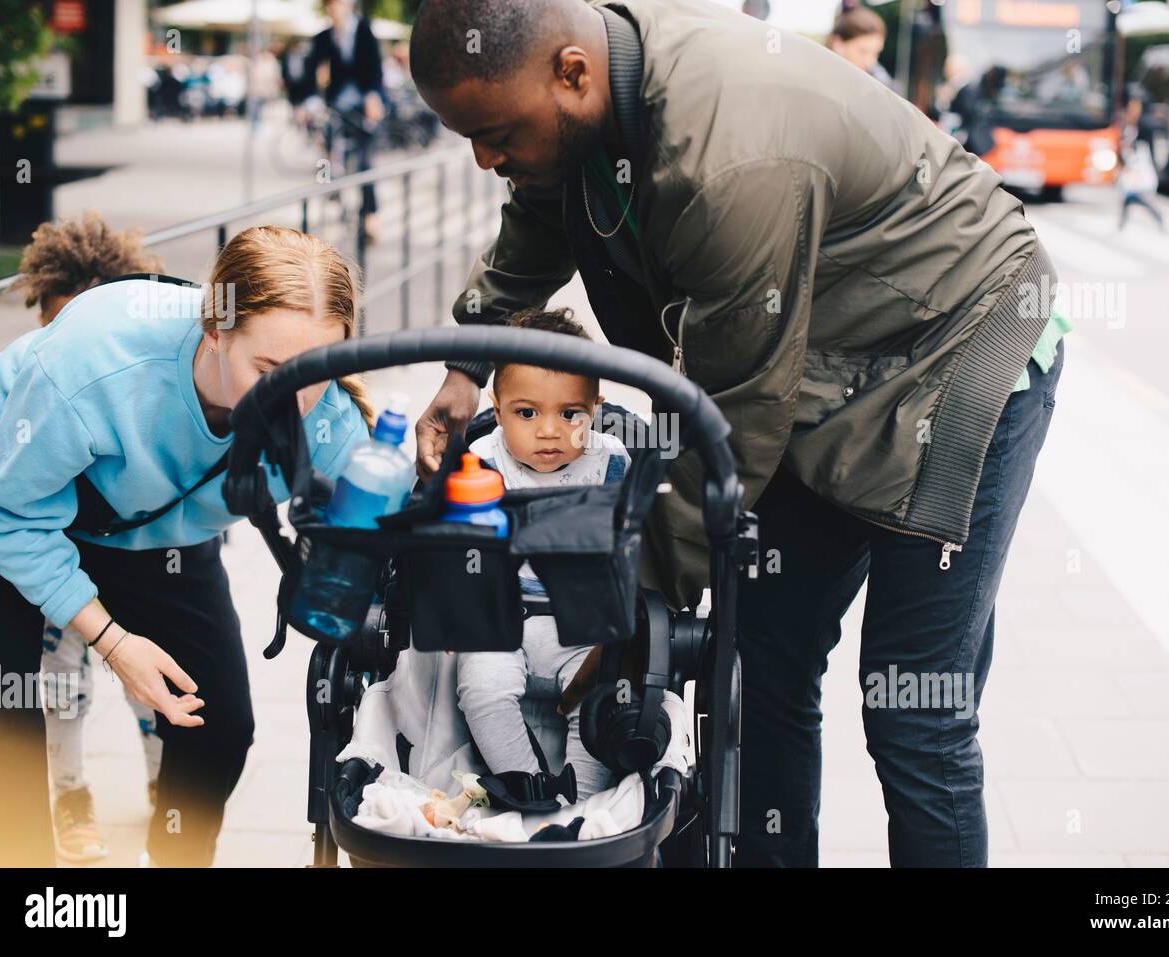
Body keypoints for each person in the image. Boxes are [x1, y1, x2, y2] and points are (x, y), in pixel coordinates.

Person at [407, 0, 1068, 868]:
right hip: (824, 356)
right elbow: (541, 203)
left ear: (572, 72)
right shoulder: (597, 86)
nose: (484, 157)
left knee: (914, 706)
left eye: (492, 131)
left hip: (961, 343)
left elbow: (739, 422)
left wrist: (622, 603)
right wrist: (467, 361)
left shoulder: (729, 158)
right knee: (761, 663)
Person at [0, 226, 373, 867]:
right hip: (11, 498)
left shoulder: (323, 414)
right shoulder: (96, 362)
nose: (293, 401)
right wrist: (114, 642)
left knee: (220, 728)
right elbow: (2, 514)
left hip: (150, 528)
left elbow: (387, 517)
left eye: (316, 372)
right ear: (215, 331)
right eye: (269, 371)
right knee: (0, 725)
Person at [9, 211, 168, 863]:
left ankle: (165, 787)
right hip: (65, 559)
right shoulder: (26, 378)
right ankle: (72, 797)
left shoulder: (147, 388)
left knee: (151, 681)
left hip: (143, 554)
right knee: (60, 676)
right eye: (54, 328)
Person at [457, 308, 628, 800]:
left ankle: (582, 804)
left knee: (604, 701)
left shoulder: (612, 461)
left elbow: (638, 541)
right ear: (498, 405)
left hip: (584, 634)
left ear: (595, 406)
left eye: (570, 414)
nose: (549, 431)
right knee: (481, 689)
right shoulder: (482, 460)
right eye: (526, 413)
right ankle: (527, 786)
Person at [302, 0, 387, 240]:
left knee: (366, 161)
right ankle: (332, 197)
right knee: (329, 148)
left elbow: (374, 70)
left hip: (363, 103)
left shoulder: (364, 31)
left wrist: (372, 97)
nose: (334, 9)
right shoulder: (324, 37)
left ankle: (370, 213)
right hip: (337, 104)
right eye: (330, 5)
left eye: (338, 4)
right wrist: (308, 101)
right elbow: (310, 71)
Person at [827, 2, 896, 91]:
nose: (869, 62)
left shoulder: (877, 83)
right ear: (837, 44)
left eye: (876, 53)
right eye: (863, 51)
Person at [1118, 139, 1165, 232]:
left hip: (1141, 186)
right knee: (1126, 204)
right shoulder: (1132, 155)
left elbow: (1139, 171)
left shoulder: (1140, 154)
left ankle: (1159, 219)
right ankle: (1121, 225)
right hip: (1134, 187)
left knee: (1147, 204)